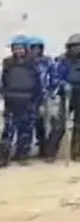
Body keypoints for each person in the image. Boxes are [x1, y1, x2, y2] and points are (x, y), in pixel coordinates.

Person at [52, 34, 80, 161]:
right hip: (67, 94)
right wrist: (63, 85)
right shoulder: (62, 61)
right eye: (74, 46)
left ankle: (77, 153)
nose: (77, 49)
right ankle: (50, 152)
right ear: (69, 47)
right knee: (60, 124)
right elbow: (56, 77)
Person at [1, 35, 40, 166]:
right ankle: (3, 157)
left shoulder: (32, 63)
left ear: (26, 49)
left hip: (28, 100)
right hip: (11, 100)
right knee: (8, 130)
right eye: (16, 48)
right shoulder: (7, 63)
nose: (18, 51)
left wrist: (36, 98)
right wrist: (4, 95)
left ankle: (22, 156)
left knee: (25, 130)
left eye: (21, 48)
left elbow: (37, 82)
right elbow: (4, 81)